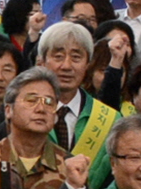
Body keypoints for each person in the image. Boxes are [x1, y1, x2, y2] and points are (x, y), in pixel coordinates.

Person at [38, 22, 121, 160]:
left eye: (76, 57)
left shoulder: (110, 119)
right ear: (41, 62)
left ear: (88, 64)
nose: (66, 66)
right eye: (58, 56)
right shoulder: (23, 112)